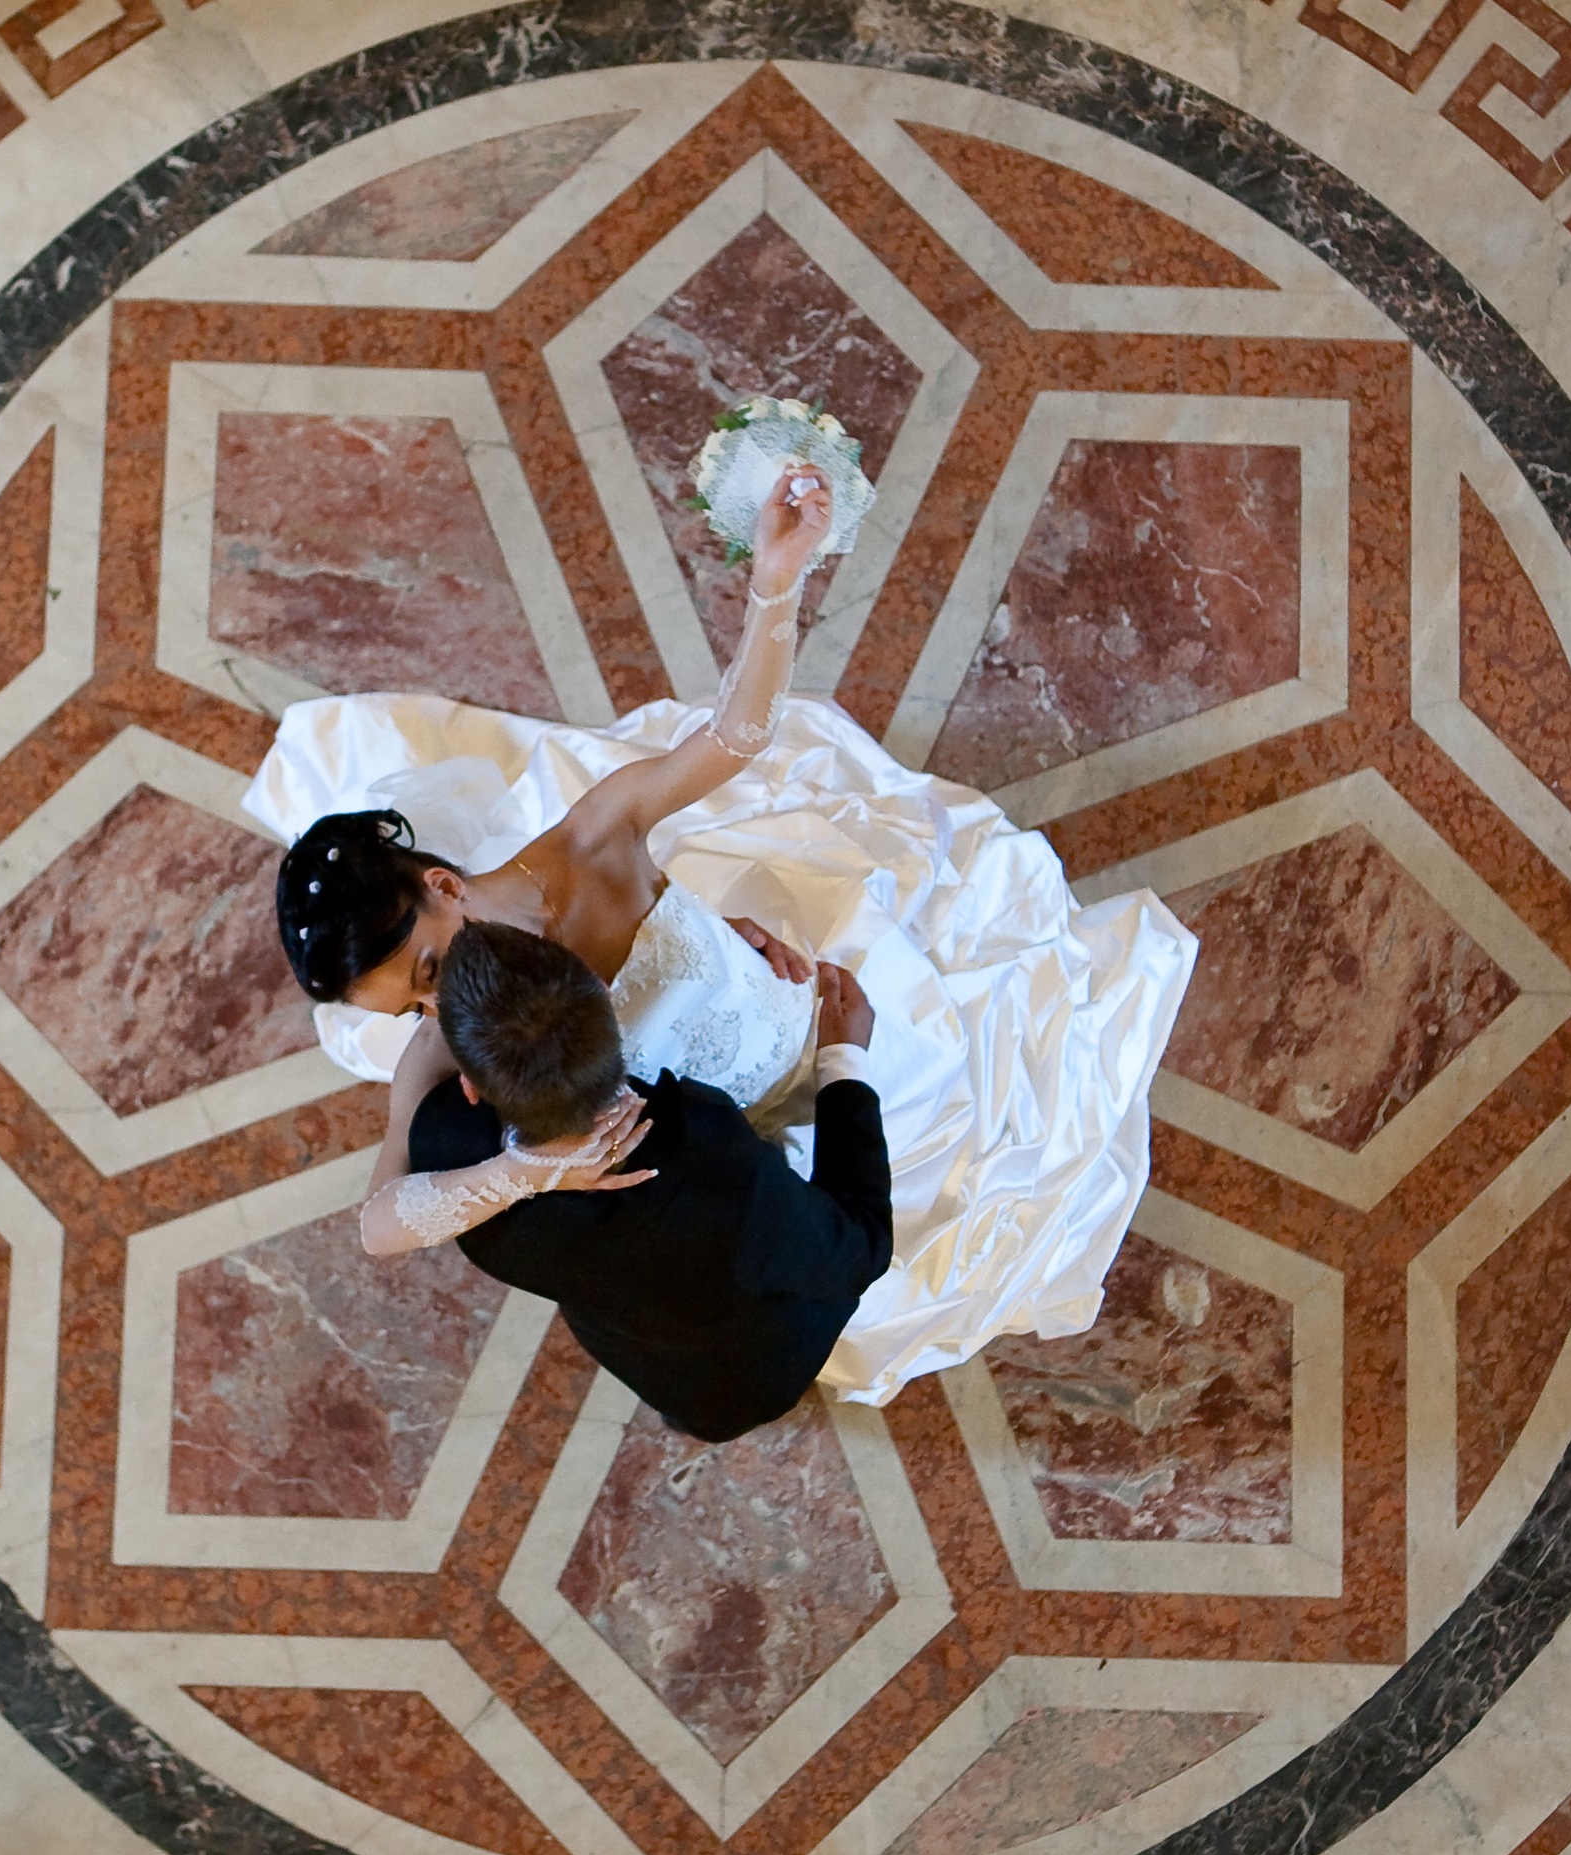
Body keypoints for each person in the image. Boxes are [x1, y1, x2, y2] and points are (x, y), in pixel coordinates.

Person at [255, 472, 1198, 1409]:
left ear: (445, 886)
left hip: (793, 1039)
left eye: (426, 969)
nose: (435, 1012)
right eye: (411, 1008)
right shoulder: (443, 1045)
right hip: (716, 1183)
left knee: (943, 1146)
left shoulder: (589, 845)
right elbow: (380, 1225)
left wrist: (776, 584)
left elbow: (735, 741)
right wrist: (520, 1170)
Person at [383, 922, 890, 1443]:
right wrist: (843, 1059)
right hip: (757, 1371)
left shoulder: (452, 1169)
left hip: (663, 1372)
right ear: (605, 990)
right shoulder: (713, 1155)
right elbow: (865, 1244)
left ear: (469, 1086)